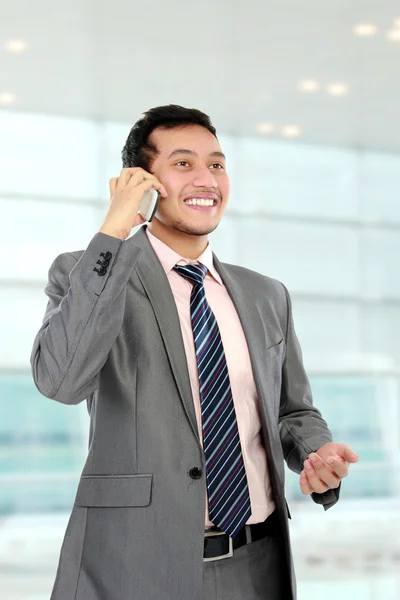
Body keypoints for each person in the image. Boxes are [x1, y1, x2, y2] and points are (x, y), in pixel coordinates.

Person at [30, 104, 359, 600]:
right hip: (136, 564)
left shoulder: (266, 294)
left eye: (217, 164)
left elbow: (293, 410)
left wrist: (317, 452)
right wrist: (115, 230)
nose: (206, 178)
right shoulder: (90, 274)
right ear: (142, 180)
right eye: (183, 163)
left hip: (258, 563)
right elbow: (61, 380)